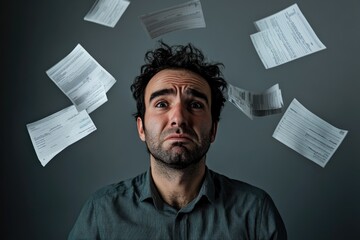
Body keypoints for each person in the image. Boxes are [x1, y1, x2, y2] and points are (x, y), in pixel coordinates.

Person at [68, 42, 287, 239]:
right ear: (141, 128)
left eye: (196, 105)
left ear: (213, 130)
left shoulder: (256, 211)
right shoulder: (101, 211)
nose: (179, 118)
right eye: (162, 104)